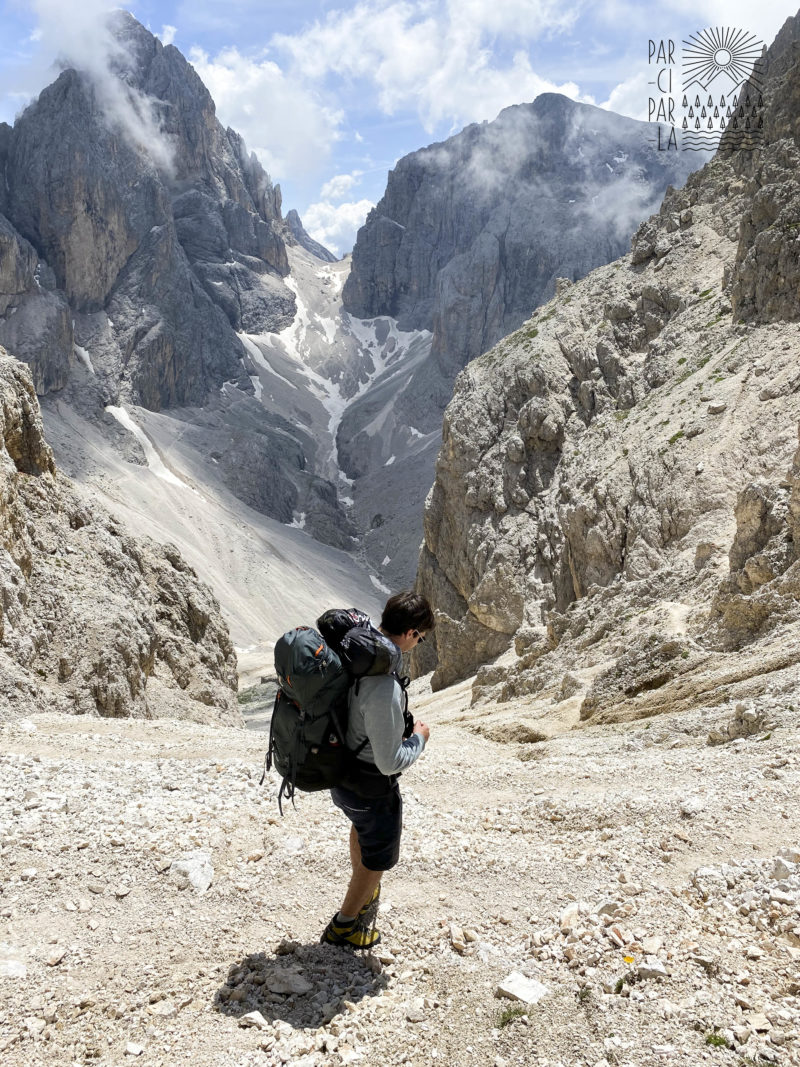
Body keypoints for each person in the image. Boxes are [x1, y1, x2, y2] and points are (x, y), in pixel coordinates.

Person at [321, 591, 434, 949]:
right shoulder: (382, 683)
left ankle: (364, 893)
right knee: (377, 858)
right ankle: (345, 925)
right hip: (371, 786)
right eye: (422, 637)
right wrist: (419, 740)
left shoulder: (356, 655)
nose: (420, 643)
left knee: (362, 831)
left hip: (343, 777)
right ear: (412, 633)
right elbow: (390, 760)